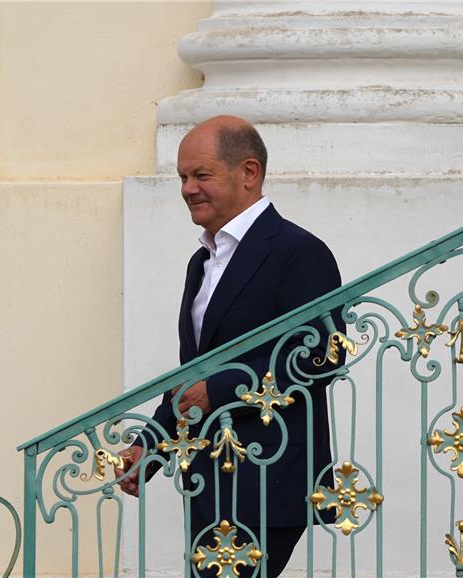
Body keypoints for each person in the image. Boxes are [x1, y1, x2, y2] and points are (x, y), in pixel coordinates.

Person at [115, 115, 344, 577]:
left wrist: (217, 392)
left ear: (249, 173)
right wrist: (150, 447)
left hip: (269, 473)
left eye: (201, 175)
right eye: (182, 177)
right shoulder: (201, 262)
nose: (188, 189)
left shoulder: (298, 251)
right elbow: (193, 377)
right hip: (209, 475)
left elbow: (322, 356)